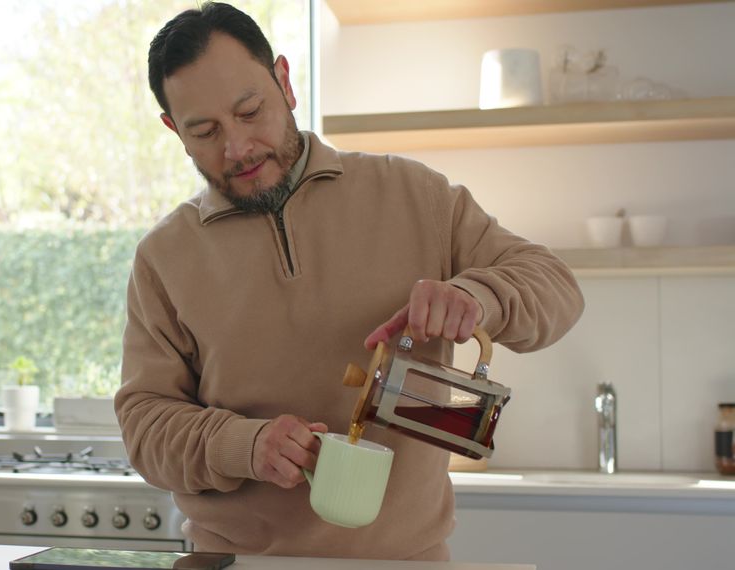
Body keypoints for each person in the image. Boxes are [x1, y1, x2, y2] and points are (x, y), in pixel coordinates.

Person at [114, 2, 584, 561]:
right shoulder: (164, 257)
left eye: (249, 111)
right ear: (175, 131)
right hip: (237, 564)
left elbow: (555, 288)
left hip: (405, 562)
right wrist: (244, 444)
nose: (236, 148)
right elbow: (145, 428)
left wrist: (476, 298)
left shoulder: (414, 195)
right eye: (205, 131)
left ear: (284, 83)